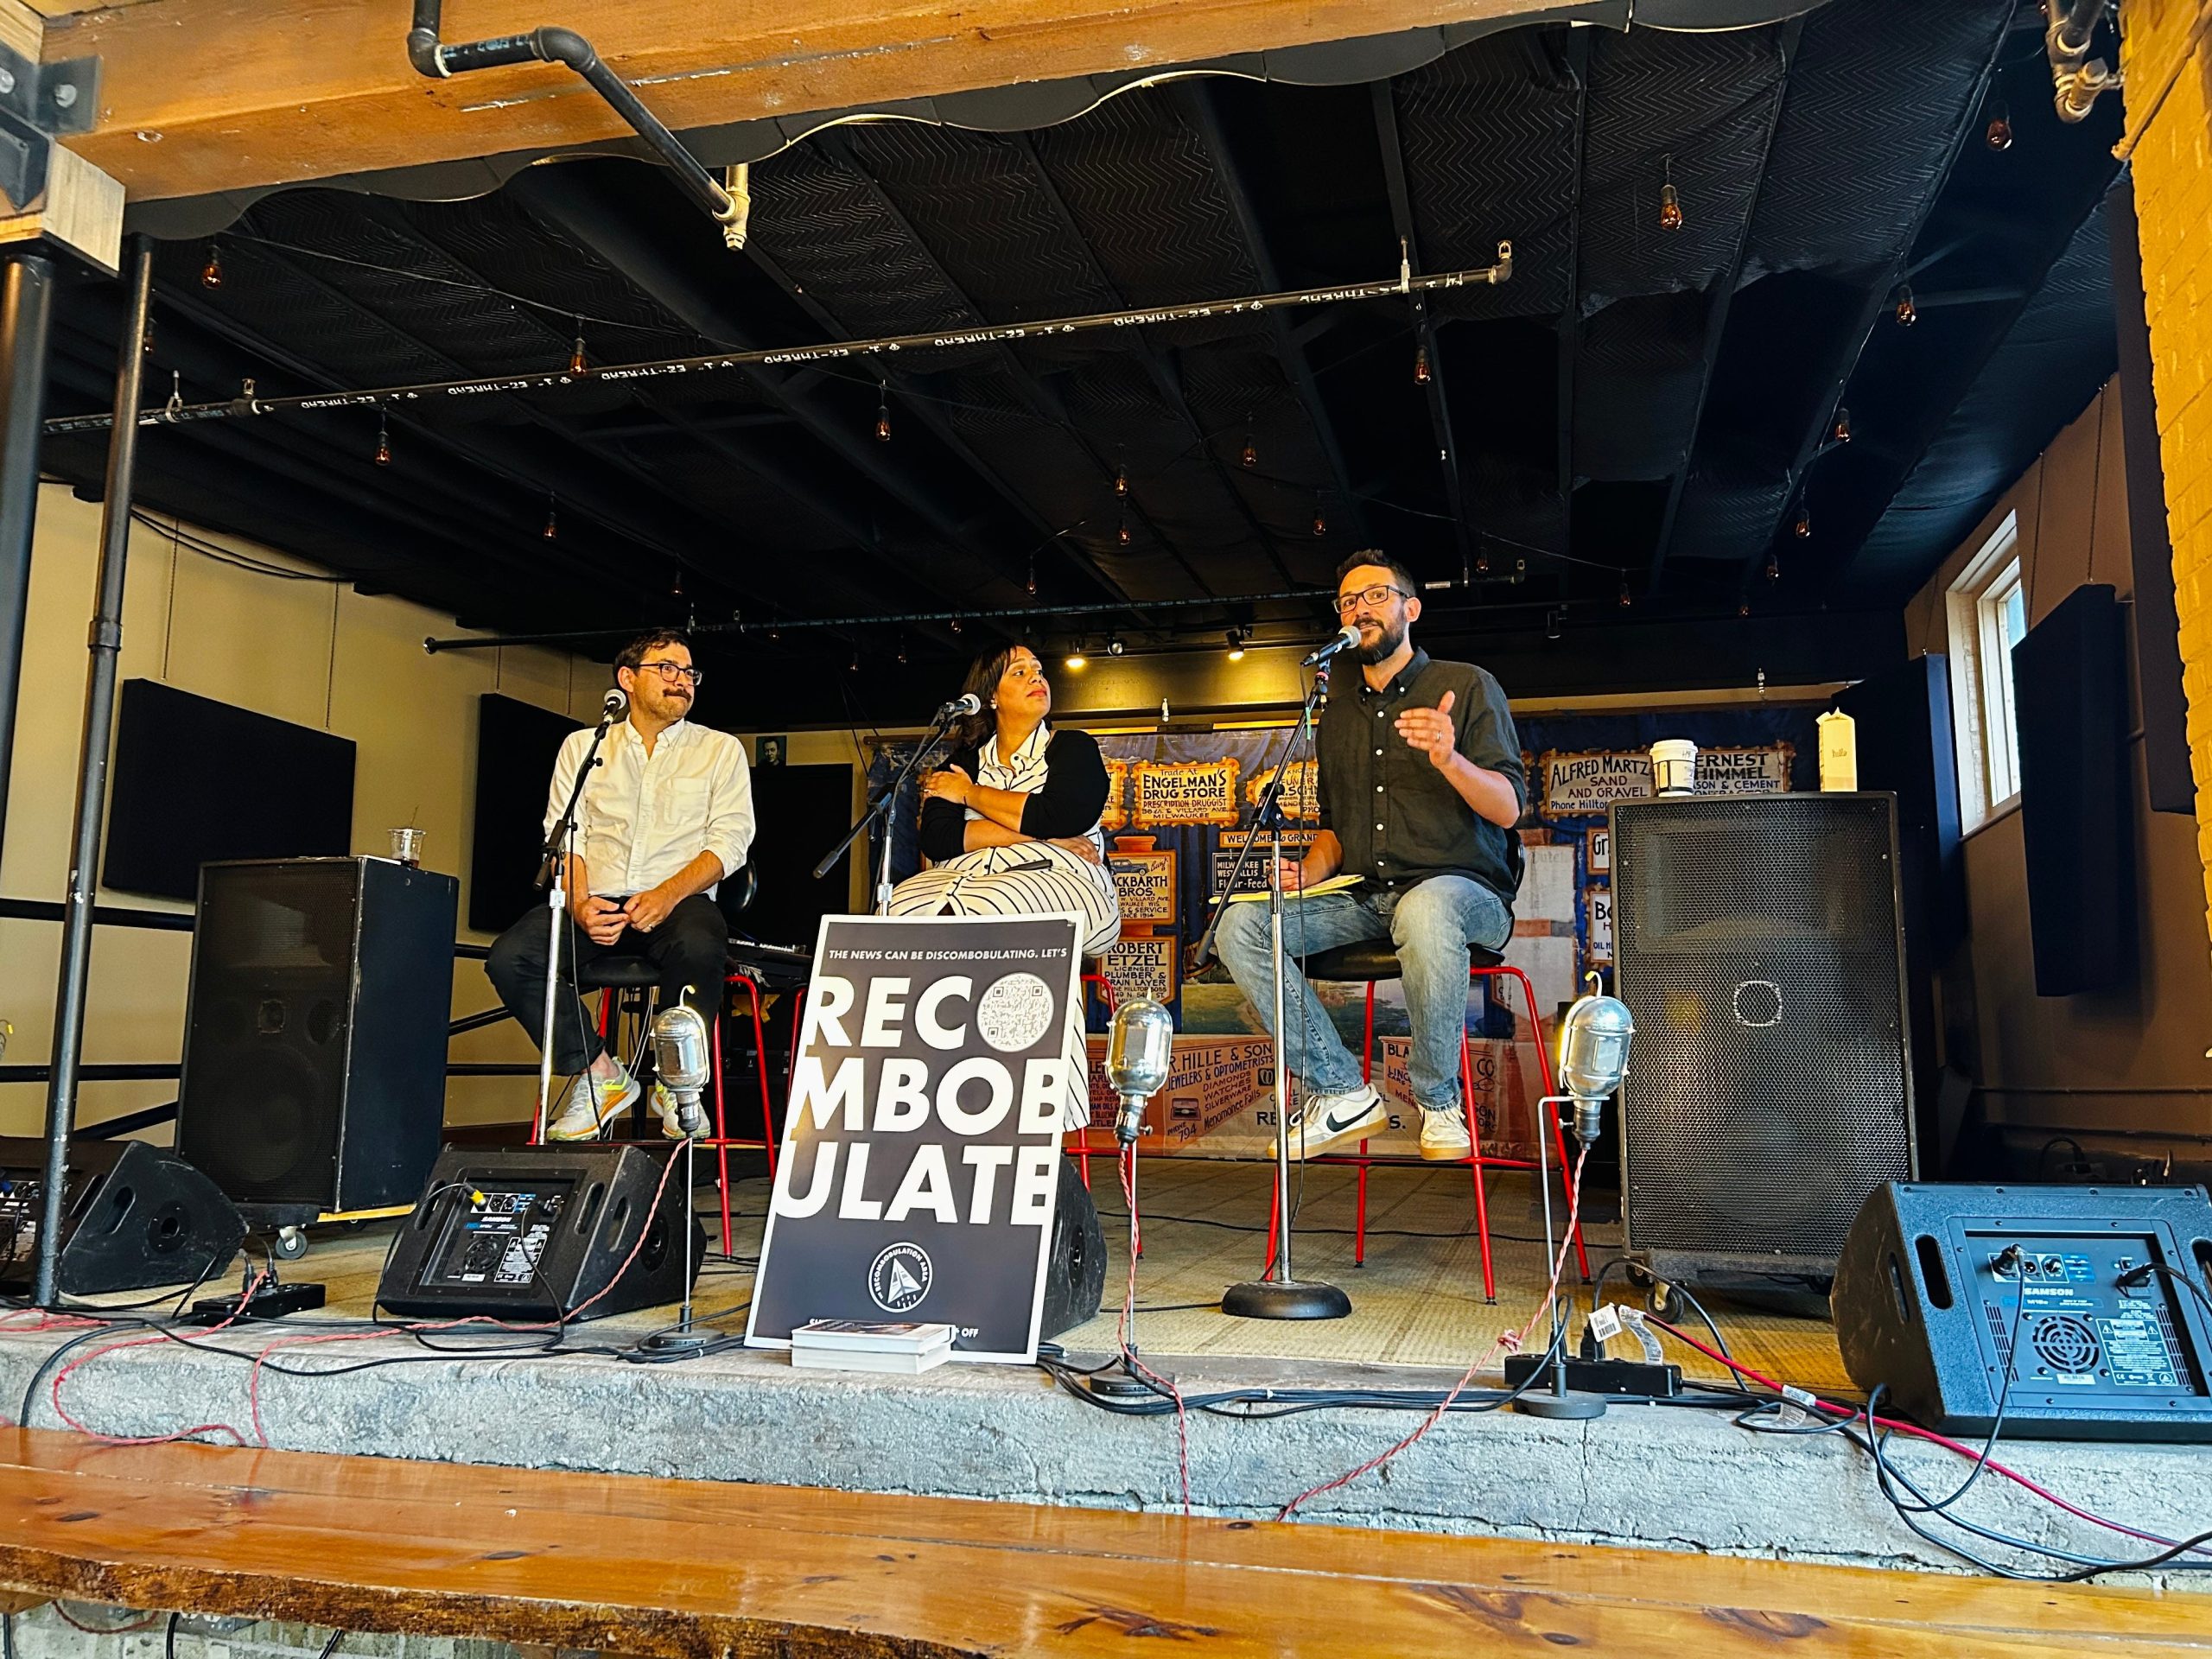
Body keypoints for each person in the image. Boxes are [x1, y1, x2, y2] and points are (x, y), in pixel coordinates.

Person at [1214, 551, 1526, 1161]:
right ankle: (1339, 1090)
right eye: (1349, 601)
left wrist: (1450, 761)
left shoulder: (1466, 685)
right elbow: (1337, 829)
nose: (1361, 608)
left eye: (1376, 595)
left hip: (1466, 896)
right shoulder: (1334, 715)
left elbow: (1509, 808)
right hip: (1368, 896)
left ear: (1411, 608)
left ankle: (1438, 1100)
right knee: (1242, 924)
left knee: (1427, 909)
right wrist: (1306, 872)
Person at [486, 629, 754, 1141]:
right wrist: (581, 903)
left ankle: (678, 1086)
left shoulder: (720, 750)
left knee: (699, 944)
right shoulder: (583, 747)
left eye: (690, 672)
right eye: (667, 669)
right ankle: (598, 1075)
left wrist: (667, 894)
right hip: (596, 899)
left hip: (679, 900)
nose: (683, 681)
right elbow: (567, 835)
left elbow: (731, 841)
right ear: (627, 679)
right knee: (511, 957)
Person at [890, 644, 1122, 1130]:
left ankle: (1041, 1112)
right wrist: (1035, 824)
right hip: (972, 882)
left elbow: (1066, 815)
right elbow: (939, 837)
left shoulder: (1071, 746)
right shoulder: (964, 759)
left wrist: (972, 797)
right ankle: (928, 1086)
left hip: (1067, 882)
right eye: (1021, 672)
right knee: (901, 906)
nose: (1038, 678)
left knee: (998, 911)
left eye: (1039, 670)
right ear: (990, 696)